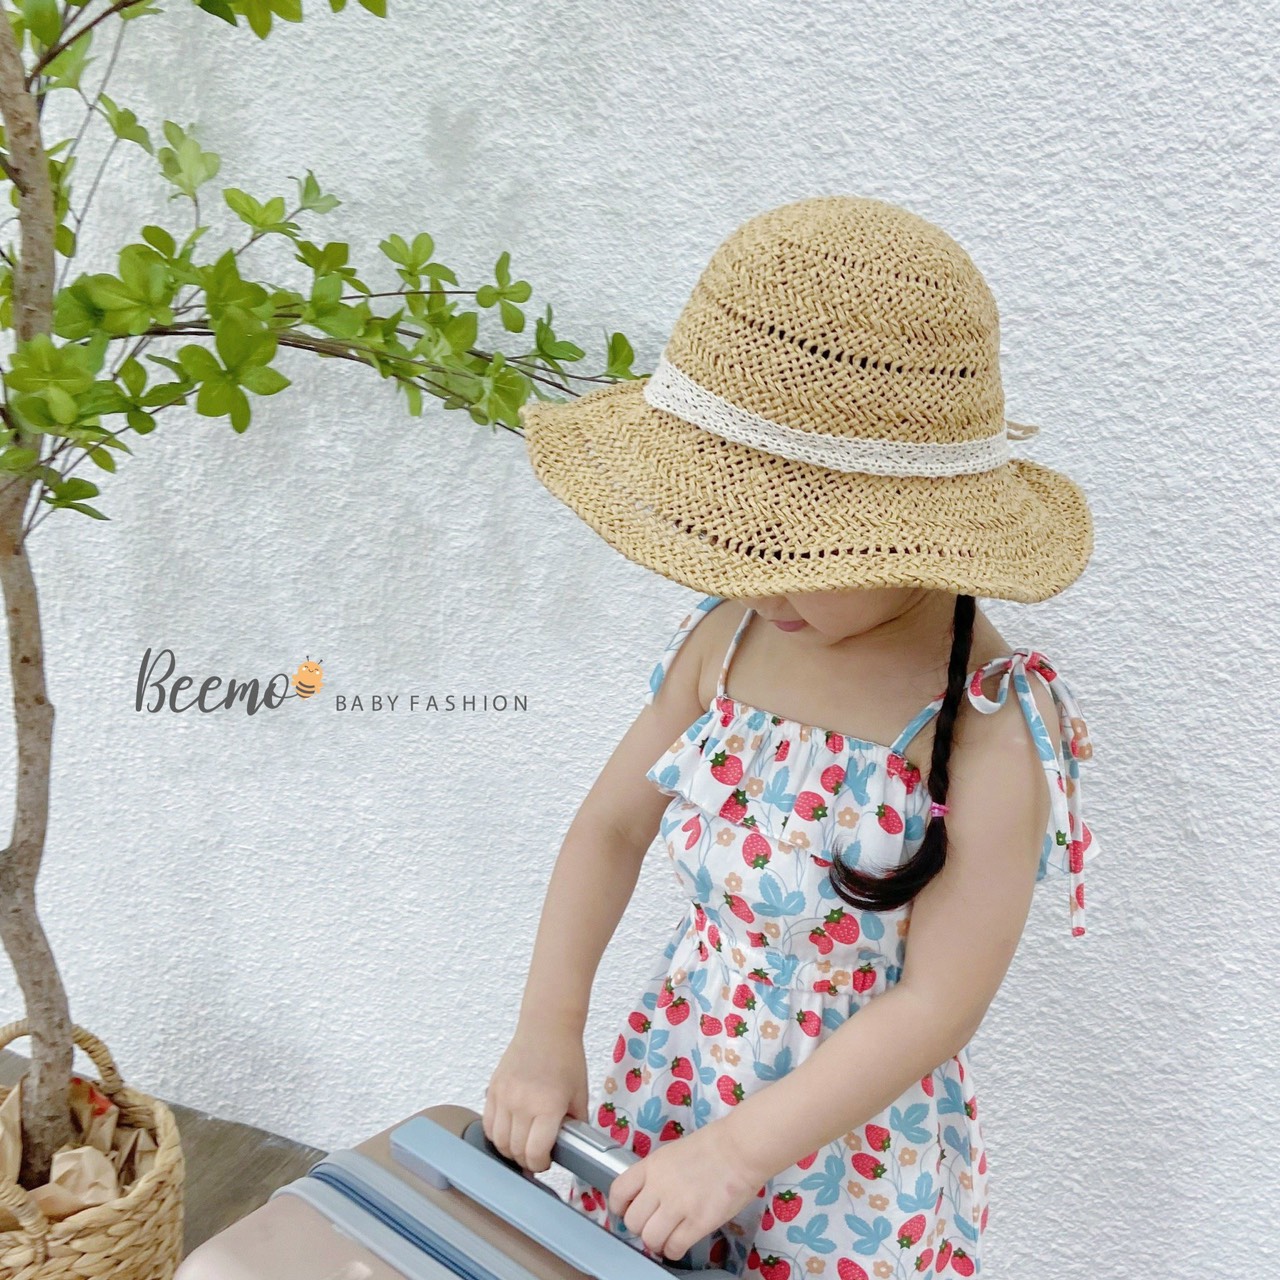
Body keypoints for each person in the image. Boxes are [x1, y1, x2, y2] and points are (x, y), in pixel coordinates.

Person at [486, 194, 1101, 1279]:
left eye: (794, 549)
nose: (756, 580)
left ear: (912, 529)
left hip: (844, 1158)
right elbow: (610, 829)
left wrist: (739, 1154)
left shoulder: (984, 731)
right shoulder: (729, 641)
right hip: (678, 1082)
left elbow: (939, 1001)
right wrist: (546, 1027)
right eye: (735, 541)